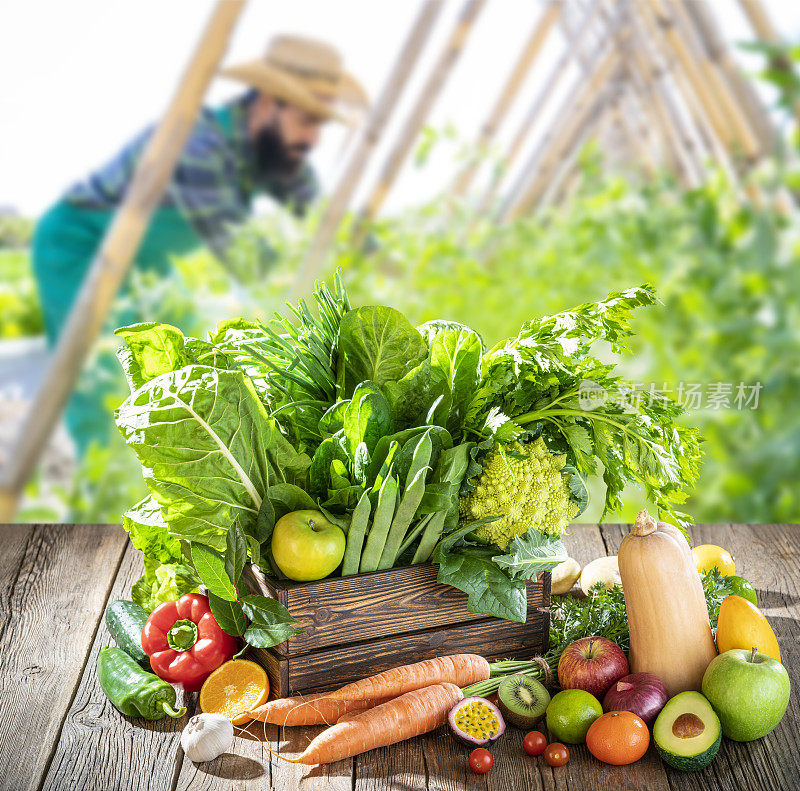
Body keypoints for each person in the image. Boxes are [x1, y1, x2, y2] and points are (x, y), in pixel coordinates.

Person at [31, 35, 367, 454]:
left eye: (321, 125)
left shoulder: (274, 149)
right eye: (307, 120)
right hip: (81, 243)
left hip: (147, 259)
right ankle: (103, 493)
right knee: (107, 379)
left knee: (183, 363)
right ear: (267, 103)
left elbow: (322, 218)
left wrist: (372, 262)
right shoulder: (200, 143)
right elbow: (251, 261)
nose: (314, 138)